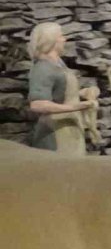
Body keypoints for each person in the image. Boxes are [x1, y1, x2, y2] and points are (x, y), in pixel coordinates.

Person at [26, 22, 96, 153]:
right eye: (61, 36)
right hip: (56, 131)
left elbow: (62, 92)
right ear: (51, 40)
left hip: (70, 126)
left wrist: (82, 93)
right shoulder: (43, 68)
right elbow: (38, 104)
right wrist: (75, 107)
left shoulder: (59, 65)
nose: (64, 39)